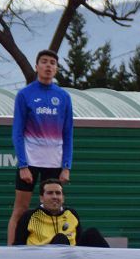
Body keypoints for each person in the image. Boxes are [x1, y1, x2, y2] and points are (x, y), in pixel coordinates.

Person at [8, 49, 74, 245]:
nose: (48, 66)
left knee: (52, 209)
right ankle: (10, 251)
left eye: (52, 63)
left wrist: (66, 166)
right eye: (44, 62)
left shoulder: (63, 97)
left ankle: (50, 248)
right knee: (21, 209)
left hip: (54, 163)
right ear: (37, 67)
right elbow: (17, 132)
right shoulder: (25, 94)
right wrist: (22, 165)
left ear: (56, 69)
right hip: (30, 162)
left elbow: (68, 134)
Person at [12, 179, 108, 247]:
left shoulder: (72, 214)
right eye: (50, 193)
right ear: (41, 198)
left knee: (92, 233)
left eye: (58, 193)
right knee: (60, 238)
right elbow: (18, 246)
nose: (55, 197)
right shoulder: (29, 216)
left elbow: (78, 242)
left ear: (63, 198)